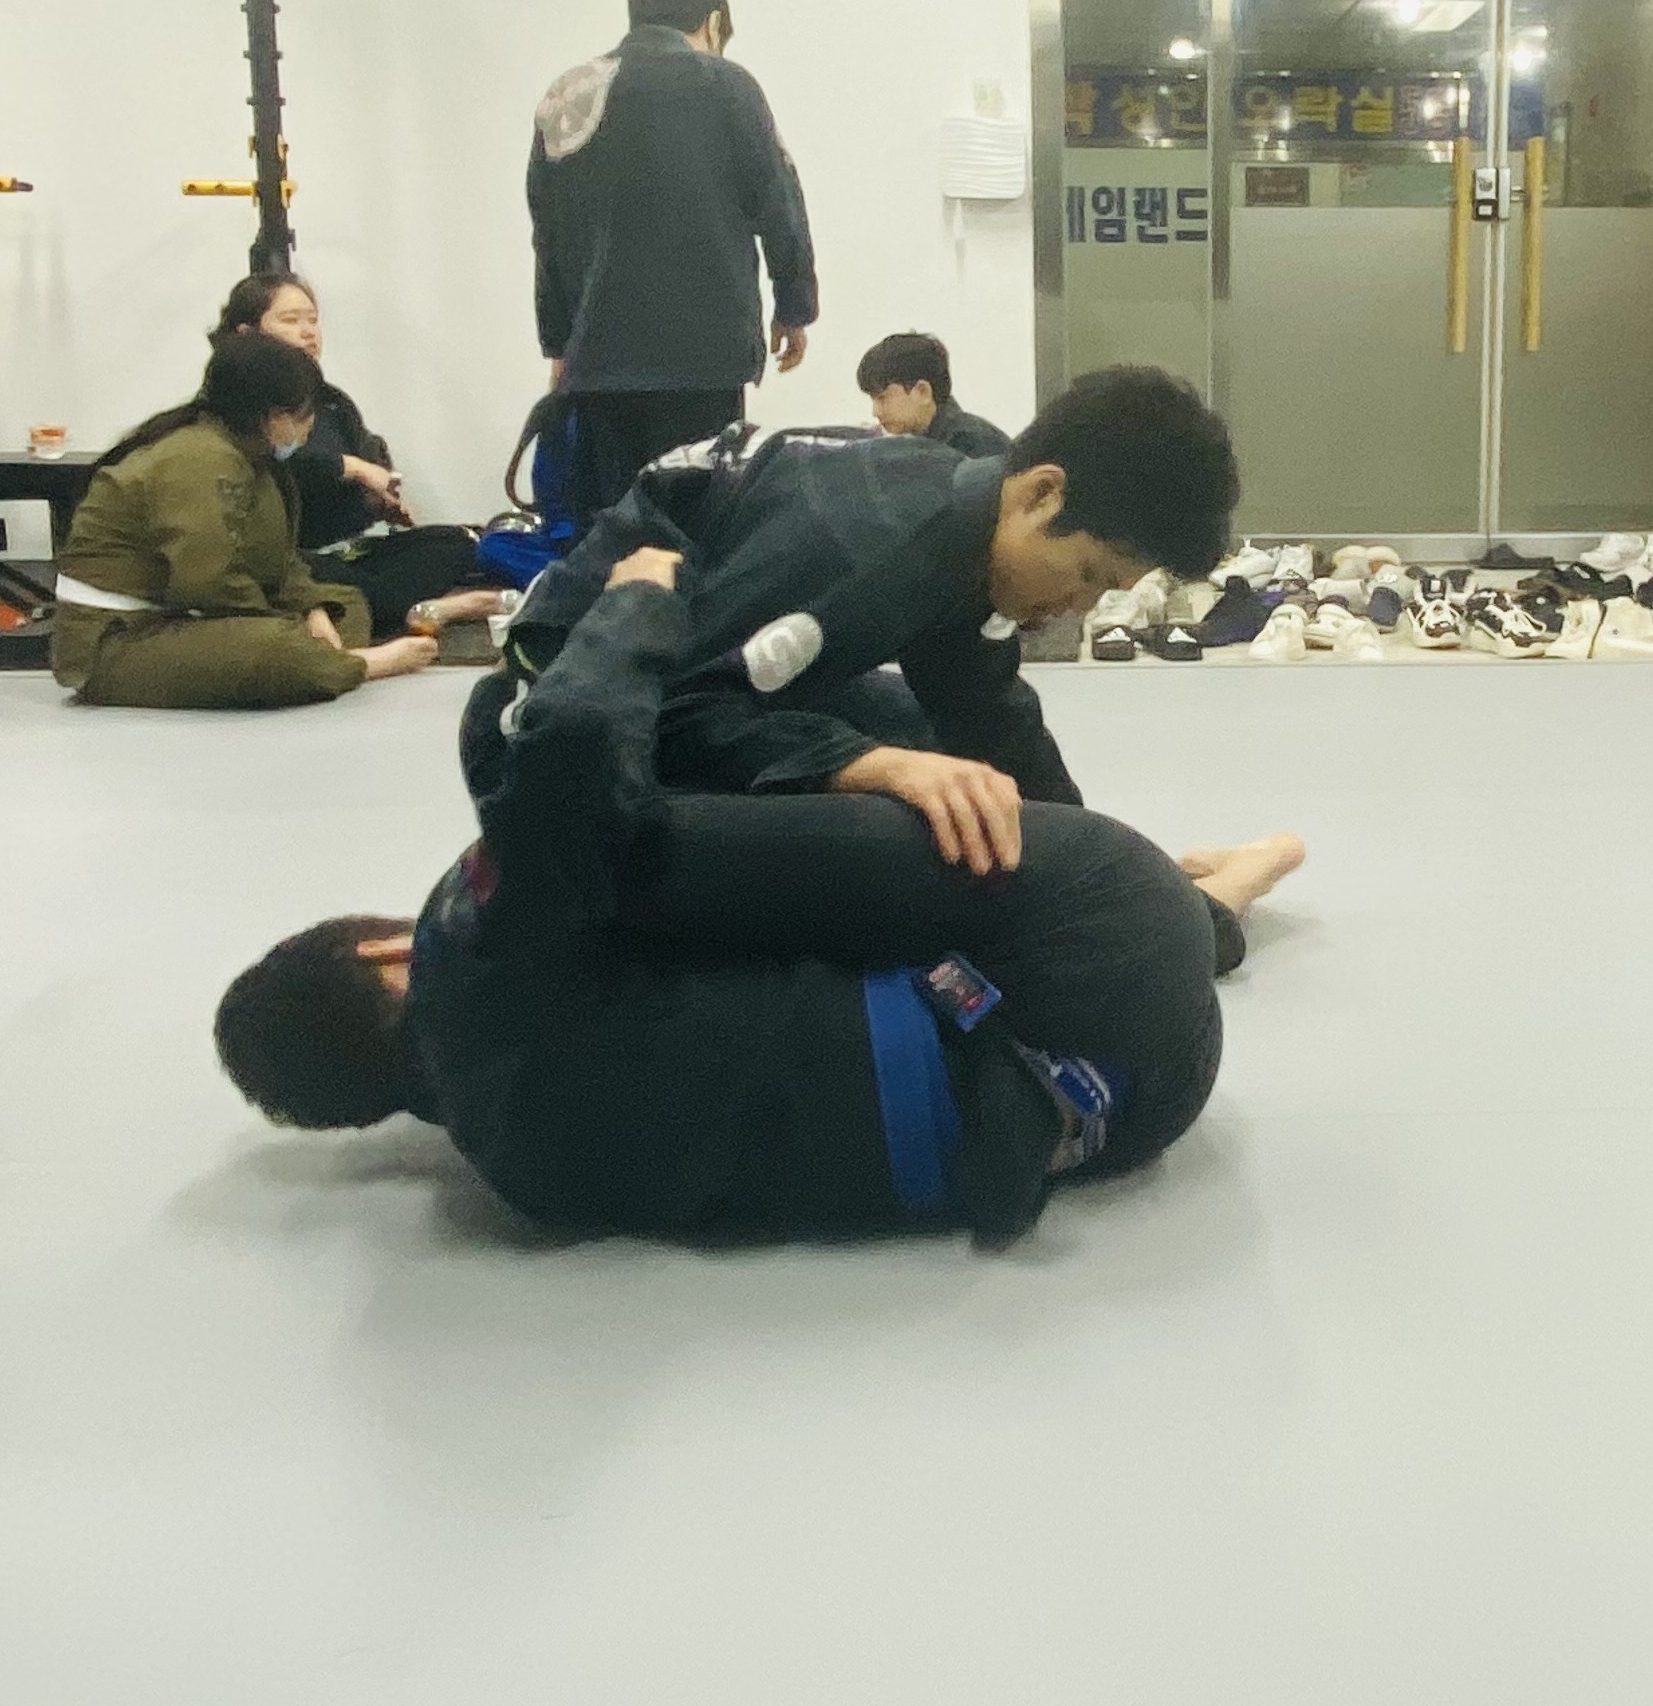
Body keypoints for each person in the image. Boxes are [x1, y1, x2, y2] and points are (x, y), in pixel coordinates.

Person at [216, 546, 1309, 1245]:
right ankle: (1192, 895)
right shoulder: (467, 939)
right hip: (1110, 935)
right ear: (379, 956)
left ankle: (1214, 904)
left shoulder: (522, 1180)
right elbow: (575, 748)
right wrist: (637, 600)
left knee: (728, 962)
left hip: (1126, 1111)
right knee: (643, 834)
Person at [476, 364, 1240, 870]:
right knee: (910, 817)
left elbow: (991, 718)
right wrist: (874, 768)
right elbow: (674, 706)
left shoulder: (966, 531)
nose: (1080, 606)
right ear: (1043, 493)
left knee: (943, 753)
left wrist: (1105, 860)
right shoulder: (871, 544)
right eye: (1089, 576)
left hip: (688, 684)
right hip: (554, 749)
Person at [527, 0, 817, 522]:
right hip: (703, 357)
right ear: (713, 23)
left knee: (615, 525)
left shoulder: (570, 94)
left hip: (600, 358)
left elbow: (548, 230)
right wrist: (794, 306)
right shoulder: (726, 85)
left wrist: (559, 343)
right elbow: (778, 200)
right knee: (697, 517)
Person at [50, 332, 440, 708]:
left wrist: (311, 609)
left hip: (179, 620)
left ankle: (323, 663)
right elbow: (207, 583)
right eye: (304, 415)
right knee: (279, 649)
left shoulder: (251, 457)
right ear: (271, 416)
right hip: (117, 640)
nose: (309, 428)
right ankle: (355, 665)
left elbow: (279, 562)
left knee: (345, 604)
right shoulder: (199, 458)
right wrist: (287, 624)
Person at [212, 270, 508, 633]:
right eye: (290, 320)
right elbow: (280, 468)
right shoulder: (238, 406)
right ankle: (427, 609)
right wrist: (351, 467)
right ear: (247, 334)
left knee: (456, 542)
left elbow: (368, 464)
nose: (308, 332)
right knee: (315, 577)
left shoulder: (332, 401)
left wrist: (380, 502)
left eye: (313, 320)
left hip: (350, 551)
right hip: (294, 556)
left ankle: (398, 606)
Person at [856, 331, 1009, 459]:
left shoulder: (974, 444)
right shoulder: (919, 444)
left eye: (882, 398)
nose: (875, 412)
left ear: (923, 392)